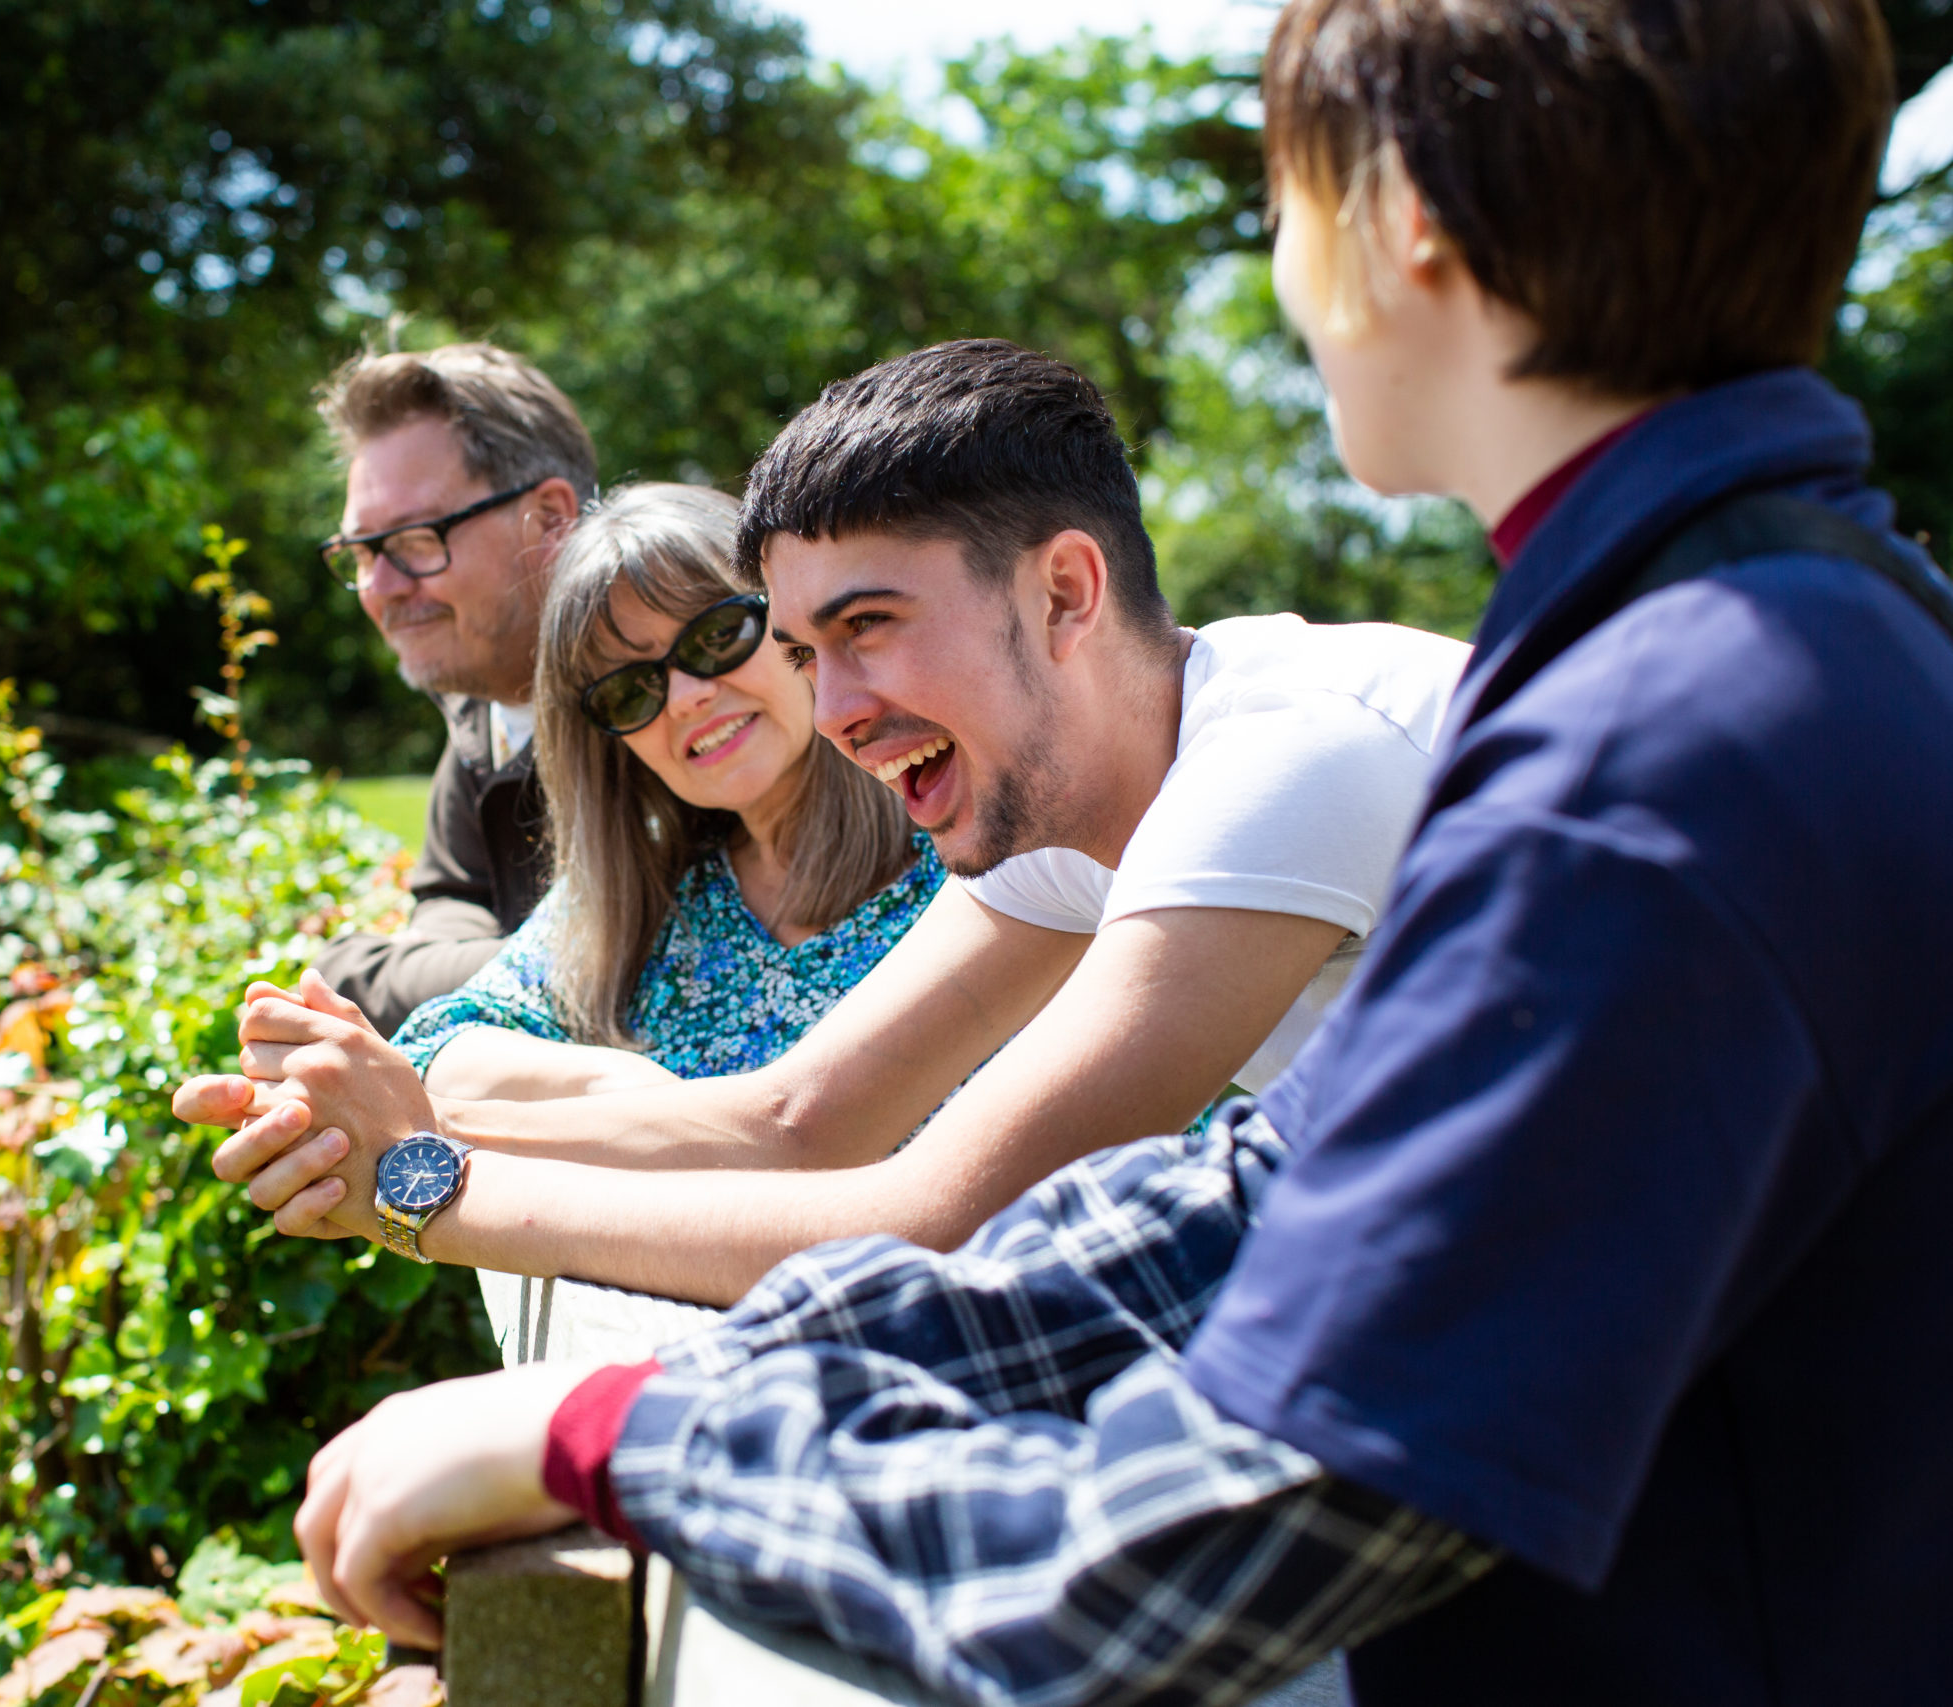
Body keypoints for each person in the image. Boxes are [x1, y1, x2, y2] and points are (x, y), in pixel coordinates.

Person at [279, 1, 1953, 1702]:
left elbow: (1196, 1532)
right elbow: (1237, 1208)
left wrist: (621, 1435)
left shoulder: (1654, 763)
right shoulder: (1750, 649)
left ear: (1406, 223)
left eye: (1282, 192)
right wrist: (660, 1381)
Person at [177, 339, 1472, 1308]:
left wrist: (423, 1188)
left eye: (866, 628)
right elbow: (793, 1117)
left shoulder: (1282, 760)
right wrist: (410, 1116)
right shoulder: (1069, 817)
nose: (836, 708)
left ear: (1067, 591)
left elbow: (935, 1218)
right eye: (802, 645)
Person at [386, 482, 942, 1105]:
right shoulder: (649, 893)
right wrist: (618, 1080)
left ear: (795, 624)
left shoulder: (964, 844)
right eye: (630, 690)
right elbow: (437, 1045)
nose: (684, 698)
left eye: (716, 635)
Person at [305, 343, 595, 1038]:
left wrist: (354, 970)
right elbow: (452, 894)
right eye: (362, 552)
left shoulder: (664, 700)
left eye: (413, 539)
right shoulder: (486, 700)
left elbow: (628, 973)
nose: (381, 586)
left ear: (551, 518)